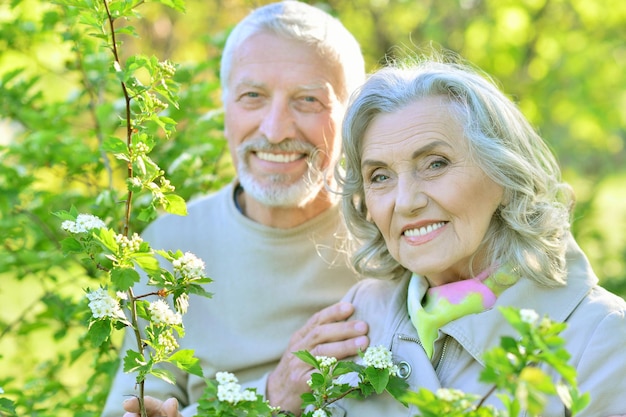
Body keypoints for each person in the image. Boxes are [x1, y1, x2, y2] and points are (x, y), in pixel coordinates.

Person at [100, 2, 368, 416]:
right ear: (225, 108)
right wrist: (271, 397)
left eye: (309, 100)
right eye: (253, 96)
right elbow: (129, 405)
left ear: (351, 115)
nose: (276, 129)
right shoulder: (172, 243)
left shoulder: (387, 234)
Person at [330, 57, 626, 416]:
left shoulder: (602, 335)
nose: (405, 202)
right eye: (380, 176)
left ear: (503, 173)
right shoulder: (358, 316)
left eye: (435, 163)